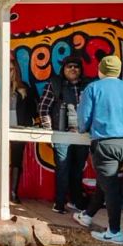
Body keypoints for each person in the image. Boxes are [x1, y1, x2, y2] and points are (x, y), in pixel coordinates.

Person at [72, 55, 123, 245]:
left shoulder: (94, 87)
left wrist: (83, 129)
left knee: (111, 188)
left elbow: (84, 118)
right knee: (105, 181)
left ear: (101, 69)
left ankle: (114, 232)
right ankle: (87, 215)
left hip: (104, 142)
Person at [37, 55, 92, 213]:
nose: (73, 69)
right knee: (62, 168)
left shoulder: (88, 85)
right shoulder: (54, 84)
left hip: (82, 134)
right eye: (69, 66)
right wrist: (48, 130)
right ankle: (59, 203)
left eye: (76, 66)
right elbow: (43, 108)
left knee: (77, 168)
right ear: (64, 69)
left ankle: (75, 201)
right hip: (62, 134)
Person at [8, 59, 37, 203]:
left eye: (11, 69)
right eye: (6, 69)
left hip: (19, 127)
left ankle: (13, 192)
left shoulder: (24, 87)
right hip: (1, 126)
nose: (9, 72)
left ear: (16, 71)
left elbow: (33, 109)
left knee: (16, 160)